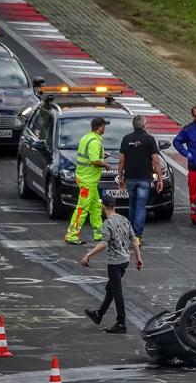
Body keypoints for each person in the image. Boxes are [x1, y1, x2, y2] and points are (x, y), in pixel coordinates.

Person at [81, 196, 143, 334]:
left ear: (104, 206)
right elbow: (134, 240)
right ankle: (99, 314)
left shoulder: (108, 224)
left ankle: (121, 323)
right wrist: (138, 258)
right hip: (125, 260)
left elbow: (103, 243)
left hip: (114, 263)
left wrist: (88, 255)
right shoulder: (124, 219)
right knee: (110, 288)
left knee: (117, 292)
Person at [118, 115, 163, 245]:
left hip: (130, 178)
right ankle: (137, 235)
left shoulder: (126, 139)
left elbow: (121, 160)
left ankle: (130, 233)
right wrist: (159, 179)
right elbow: (156, 160)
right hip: (144, 178)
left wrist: (120, 177)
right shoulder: (149, 139)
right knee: (141, 206)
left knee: (132, 205)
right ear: (144, 125)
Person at [65, 117, 110, 245]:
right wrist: (105, 164)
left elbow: (90, 156)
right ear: (99, 127)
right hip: (88, 181)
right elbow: (93, 160)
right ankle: (72, 234)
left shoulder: (86, 137)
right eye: (104, 126)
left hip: (86, 179)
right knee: (82, 208)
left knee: (95, 206)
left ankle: (99, 232)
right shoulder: (94, 141)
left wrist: (101, 156)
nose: (105, 128)